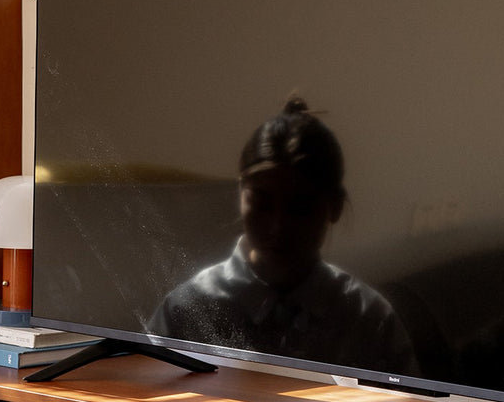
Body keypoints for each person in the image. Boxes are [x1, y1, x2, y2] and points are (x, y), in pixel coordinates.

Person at [150, 96, 418, 375]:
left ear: (334, 207)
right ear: (241, 194)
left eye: (300, 208)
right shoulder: (187, 309)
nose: (277, 226)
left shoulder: (369, 320)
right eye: (262, 203)